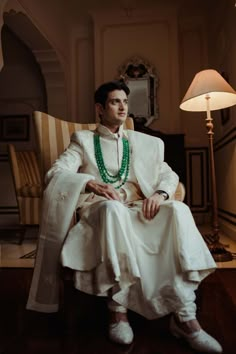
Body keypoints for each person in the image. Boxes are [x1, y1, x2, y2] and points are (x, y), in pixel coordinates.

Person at [27, 80, 222, 353]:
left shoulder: (142, 143)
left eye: (125, 102)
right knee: (113, 209)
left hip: (138, 208)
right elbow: (55, 174)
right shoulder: (82, 141)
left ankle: (185, 317)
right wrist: (89, 183)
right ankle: (117, 310)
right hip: (100, 211)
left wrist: (161, 195)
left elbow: (167, 174)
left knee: (178, 209)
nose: (123, 107)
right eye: (115, 101)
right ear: (100, 108)